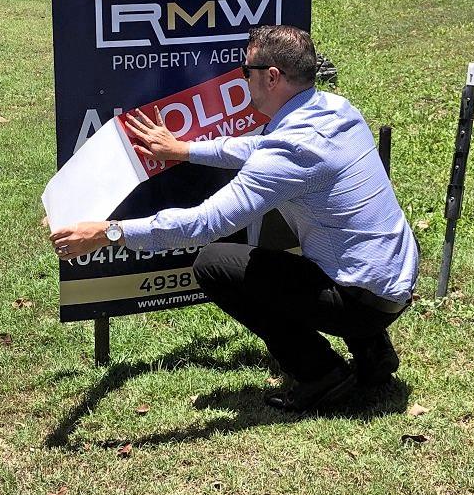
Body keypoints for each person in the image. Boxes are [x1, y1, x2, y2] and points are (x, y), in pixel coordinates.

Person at [50, 24, 418, 411]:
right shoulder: (336, 111)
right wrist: (184, 149)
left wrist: (109, 233)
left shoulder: (291, 152)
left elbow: (205, 223)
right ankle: (375, 357)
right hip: (397, 282)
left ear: (272, 77)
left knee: (215, 264)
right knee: (333, 255)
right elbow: (262, 148)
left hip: (359, 303)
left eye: (246, 72)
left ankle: (322, 374)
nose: (243, 80)